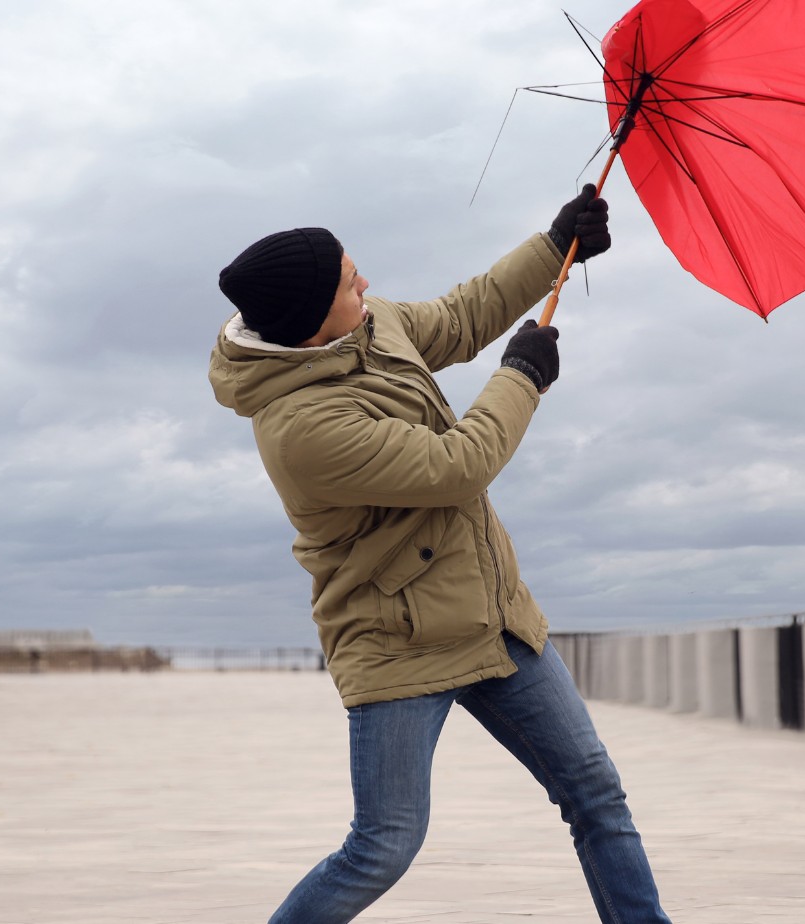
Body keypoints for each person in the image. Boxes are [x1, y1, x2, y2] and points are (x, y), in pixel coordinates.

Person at [209, 187, 671, 924]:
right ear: (305, 326)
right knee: (382, 846)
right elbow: (457, 466)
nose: (366, 284)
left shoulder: (368, 322)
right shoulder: (301, 427)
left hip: (492, 616)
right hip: (399, 643)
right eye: (348, 283)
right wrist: (524, 374)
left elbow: (459, 318)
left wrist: (554, 246)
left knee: (595, 791)